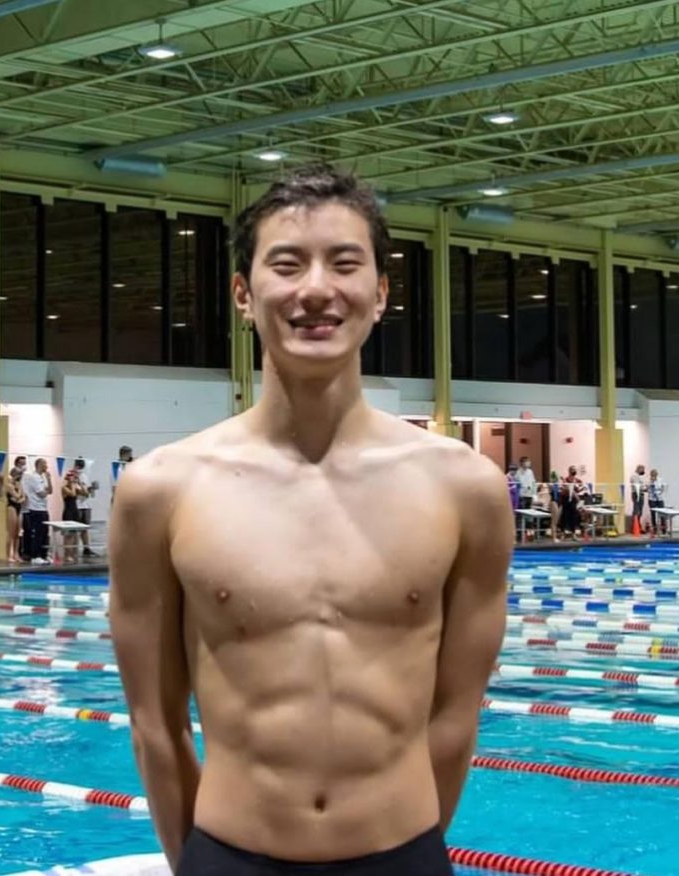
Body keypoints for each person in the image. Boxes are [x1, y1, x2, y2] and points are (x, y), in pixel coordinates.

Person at [108, 165, 513, 876]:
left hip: (404, 855)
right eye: (287, 265)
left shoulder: (465, 488)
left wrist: (409, 845)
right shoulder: (162, 490)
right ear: (243, 293)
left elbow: (455, 717)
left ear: (380, 294)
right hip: (229, 857)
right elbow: (156, 726)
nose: (317, 290)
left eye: (345, 263)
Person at [22, 457, 53, 565]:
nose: (47, 467)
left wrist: (49, 479)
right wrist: (46, 490)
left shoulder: (42, 477)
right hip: (35, 509)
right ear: (39, 465)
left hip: (43, 509)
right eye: (45, 464)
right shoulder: (33, 477)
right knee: (38, 534)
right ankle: (35, 556)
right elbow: (42, 493)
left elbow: (51, 491)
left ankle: (43, 555)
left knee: (45, 533)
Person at [73, 457, 98, 557]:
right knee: (76, 529)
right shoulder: (72, 477)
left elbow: (89, 493)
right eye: (78, 466)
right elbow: (78, 491)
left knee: (85, 528)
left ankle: (86, 548)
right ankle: (73, 549)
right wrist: (87, 491)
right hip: (77, 505)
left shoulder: (85, 476)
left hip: (86, 505)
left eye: (81, 466)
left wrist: (93, 488)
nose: (79, 469)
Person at [559, 465, 588, 539]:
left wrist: (580, 501)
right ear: (569, 471)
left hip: (574, 501)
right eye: (572, 470)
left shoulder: (578, 481)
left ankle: (573, 533)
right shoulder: (565, 480)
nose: (573, 471)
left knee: (574, 517)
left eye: (574, 470)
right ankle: (562, 533)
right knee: (564, 516)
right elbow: (562, 491)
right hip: (566, 500)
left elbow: (581, 491)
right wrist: (568, 490)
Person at [5, 466, 25, 563]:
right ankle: (8, 554)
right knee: (11, 533)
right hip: (11, 507)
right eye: (19, 475)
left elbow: (23, 497)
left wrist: (20, 497)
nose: (20, 477)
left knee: (18, 533)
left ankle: (16, 553)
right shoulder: (8, 485)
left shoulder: (18, 484)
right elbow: (17, 496)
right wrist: (20, 494)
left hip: (19, 507)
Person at [61, 468, 81, 563]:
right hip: (68, 511)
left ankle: (73, 553)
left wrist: (80, 483)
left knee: (75, 534)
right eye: (73, 477)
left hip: (75, 511)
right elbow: (72, 494)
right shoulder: (64, 488)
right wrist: (73, 484)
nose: (74, 479)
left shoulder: (75, 486)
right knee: (68, 535)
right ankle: (67, 554)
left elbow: (85, 493)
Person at [647, 469, 667, 536]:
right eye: (652, 475)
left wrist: (660, 491)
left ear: (656, 475)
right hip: (652, 499)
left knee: (662, 514)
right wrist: (649, 486)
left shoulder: (660, 480)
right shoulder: (648, 481)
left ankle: (664, 529)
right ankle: (654, 529)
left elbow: (663, 488)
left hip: (659, 499)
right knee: (653, 515)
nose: (653, 477)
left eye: (654, 475)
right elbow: (647, 489)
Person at [629, 464, 647, 535]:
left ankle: (638, 526)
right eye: (643, 470)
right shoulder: (635, 476)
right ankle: (635, 527)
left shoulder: (639, 476)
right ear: (639, 469)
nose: (643, 471)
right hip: (637, 494)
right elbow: (637, 486)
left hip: (640, 494)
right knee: (637, 511)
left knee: (640, 511)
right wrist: (644, 488)